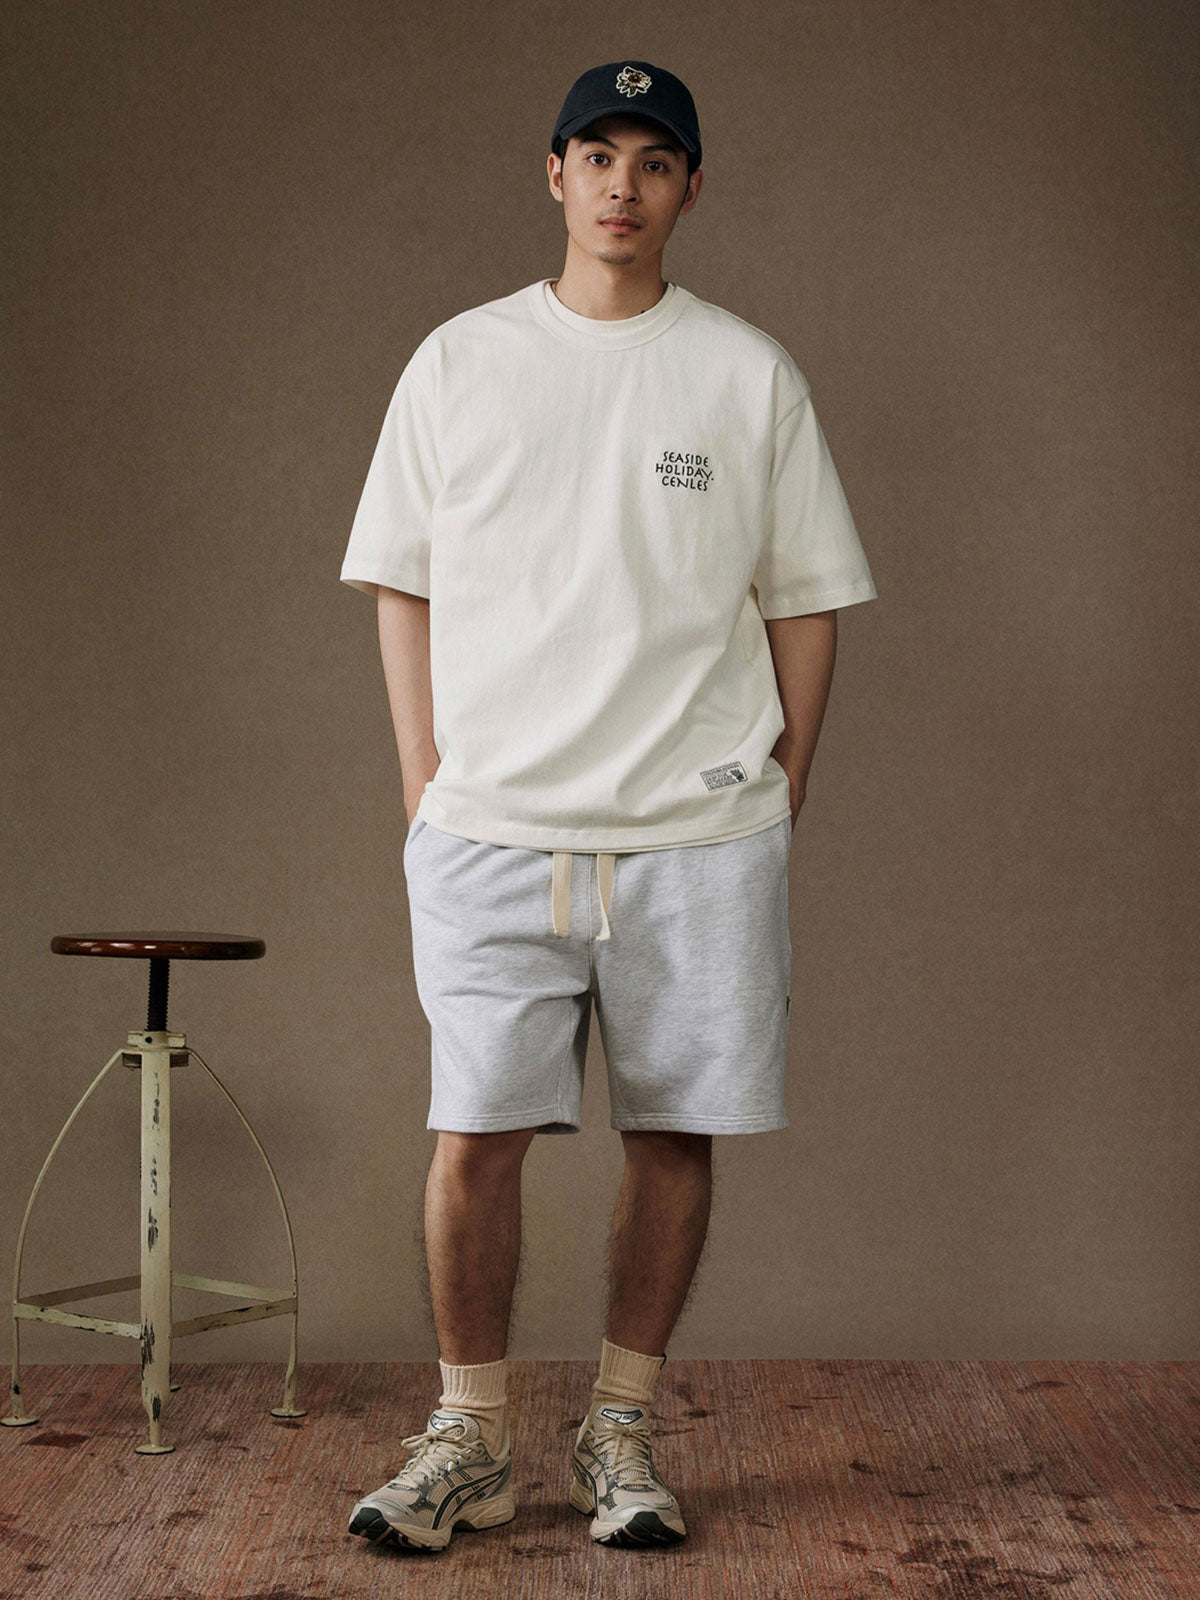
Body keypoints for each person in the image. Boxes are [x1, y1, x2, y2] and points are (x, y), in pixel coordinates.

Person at [338, 59, 878, 1553]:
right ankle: (471, 1439)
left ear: (691, 187)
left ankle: (621, 1431)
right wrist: (423, 777)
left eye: (654, 160)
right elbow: (401, 579)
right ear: (555, 175)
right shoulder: (461, 360)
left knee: (675, 1133)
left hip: (698, 836)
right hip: (492, 826)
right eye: (598, 155)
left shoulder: (747, 373)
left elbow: (808, 597)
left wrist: (782, 788)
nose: (623, 185)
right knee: (475, 1135)